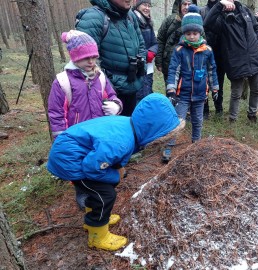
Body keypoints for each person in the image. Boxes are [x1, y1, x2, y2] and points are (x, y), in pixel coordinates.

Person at [47, 93, 184, 251]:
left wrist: (117, 169)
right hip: (71, 161)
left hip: (80, 156)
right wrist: (114, 175)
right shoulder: (121, 141)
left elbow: (109, 157)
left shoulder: (129, 126)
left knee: (100, 191)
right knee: (106, 195)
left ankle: (94, 218)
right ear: (152, 129)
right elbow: (91, 167)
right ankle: (98, 236)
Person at [48, 30, 123, 209]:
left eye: (94, 57)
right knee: (81, 169)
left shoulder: (101, 77)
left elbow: (112, 96)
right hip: (77, 138)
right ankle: (85, 198)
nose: (91, 62)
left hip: (99, 135)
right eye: (85, 58)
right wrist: (62, 141)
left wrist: (116, 106)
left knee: (99, 165)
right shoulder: (62, 82)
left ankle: (101, 198)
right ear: (74, 57)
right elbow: (56, 114)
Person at [76, 0, 146, 116]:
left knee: (129, 130)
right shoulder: (93, 18)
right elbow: (85, 63)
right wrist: (109, 91)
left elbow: (141, 45)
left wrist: (138, 69)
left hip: (131, 88)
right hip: (107, 98)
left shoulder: (130, 16)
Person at [204, 0, 258, 123]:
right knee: (236, 93)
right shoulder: (220, 17)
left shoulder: (245, 10)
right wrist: (219, 5)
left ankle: (252, 115)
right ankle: (233, 119)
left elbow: (256, 28)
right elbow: (206, 24)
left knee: (256, 89)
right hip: (235, 60)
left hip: (254, 56)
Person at [166, 4, 219, 144]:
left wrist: (215, 87)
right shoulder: (179, 50)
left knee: (197, 120)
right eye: (188, 33)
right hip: (182, 94)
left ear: (200, 33)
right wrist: (171, 89)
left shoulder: (207, 50)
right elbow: (173, 70)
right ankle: (169, 146)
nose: (191, 36)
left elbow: (212, 70)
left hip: (200, 94)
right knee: (178, 120)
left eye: (194, 33)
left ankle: (196, 144)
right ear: (184, 34)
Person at [155, 0, 193, 85]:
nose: (186, 7)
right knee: (171, 93)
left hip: (190, 66)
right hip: (170, 64)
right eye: (184, 4)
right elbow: (160, 40)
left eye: (189, 4)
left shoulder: (196, 21)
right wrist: (159, 61)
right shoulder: (170, 20)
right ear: (179, 5)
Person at [200, 0, 225, 117]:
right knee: (203, 79)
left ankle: (218, 108)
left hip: (220, 52)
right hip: (205, 51)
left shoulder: (224, 10)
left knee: (219, 80)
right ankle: (205, 109)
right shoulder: (202, 11)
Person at [132, 0, 158, 103]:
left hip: (149, 63)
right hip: (137, 63)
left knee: (148, 86)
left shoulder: (148, 23)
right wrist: (146, 54)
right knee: (139, 91)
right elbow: (133, 44)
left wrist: (152, 52)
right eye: (144, 5)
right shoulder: (132, 21)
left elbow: (155, 43)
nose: (147, 8)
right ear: (137, 6)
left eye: (149, 5)